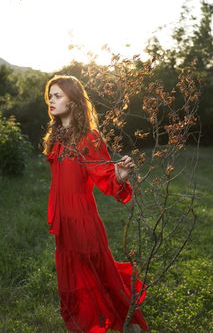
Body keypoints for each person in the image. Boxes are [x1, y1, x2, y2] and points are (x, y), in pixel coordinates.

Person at [42, 74, 150, 333]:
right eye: (50, 96)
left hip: (82, 218)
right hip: (63, 219)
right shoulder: (56, 135)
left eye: (57, 96)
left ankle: (125, 322)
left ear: (73, 100)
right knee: (74, 278)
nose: (51, 101)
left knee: (97, 276)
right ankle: (84, 323)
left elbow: (103, 175)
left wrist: (119, 176)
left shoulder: (88, 138)